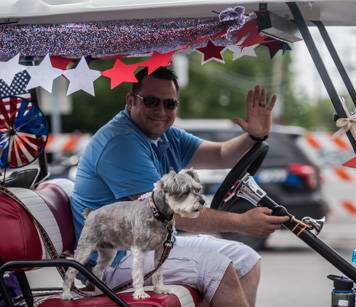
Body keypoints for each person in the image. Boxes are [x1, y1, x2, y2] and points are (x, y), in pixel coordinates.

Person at [70, 66, 289, 307]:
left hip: (152, 242)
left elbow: (221, 154)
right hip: (114, 259)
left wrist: (254, 136)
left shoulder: (166, 136)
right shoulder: (120, 143)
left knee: (245, 259)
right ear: (131, 101)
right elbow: (173, 215)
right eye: (151, 101)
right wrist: (241, 223)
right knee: (217, 267)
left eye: (169, 104)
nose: (161, 111)